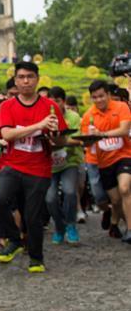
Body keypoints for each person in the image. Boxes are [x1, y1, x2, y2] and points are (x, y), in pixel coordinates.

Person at [0, 61, 67, 273]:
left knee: (33, 215)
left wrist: (53, 135)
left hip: (39, 168)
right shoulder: (7, 106)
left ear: (37, 79)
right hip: (12, 165)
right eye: (21, 77)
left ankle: (36, 257)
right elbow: (6, 134)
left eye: (30, 77)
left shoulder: (49, 106)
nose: (26, 81)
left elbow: (60, 140)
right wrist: (38, 126)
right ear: (15, 80)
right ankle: (14, 240)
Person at [81, 80, 131, 243]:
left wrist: (102, 134)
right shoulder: (88, 116)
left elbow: (124, 130)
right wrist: (90, 138)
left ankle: (130, 230)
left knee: (125, 189)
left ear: (108, 95)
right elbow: (86, 143)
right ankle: (114, 222)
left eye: (102, 96)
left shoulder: (121, 107)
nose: (99, 100)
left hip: (124, 155)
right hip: (103, 162)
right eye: (95, 97)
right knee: (115, 200)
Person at [45, 86, 82, 244]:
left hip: (69, 162)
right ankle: (60, 227)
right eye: (51, 101)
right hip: (49, 164)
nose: (54, 104)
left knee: (69, 192)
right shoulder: (43, 118)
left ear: (64, 102)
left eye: (57, 101)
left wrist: (62, 141)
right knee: (50, 198)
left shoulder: (73, 117)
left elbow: (79, 139)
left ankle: (71, 225)